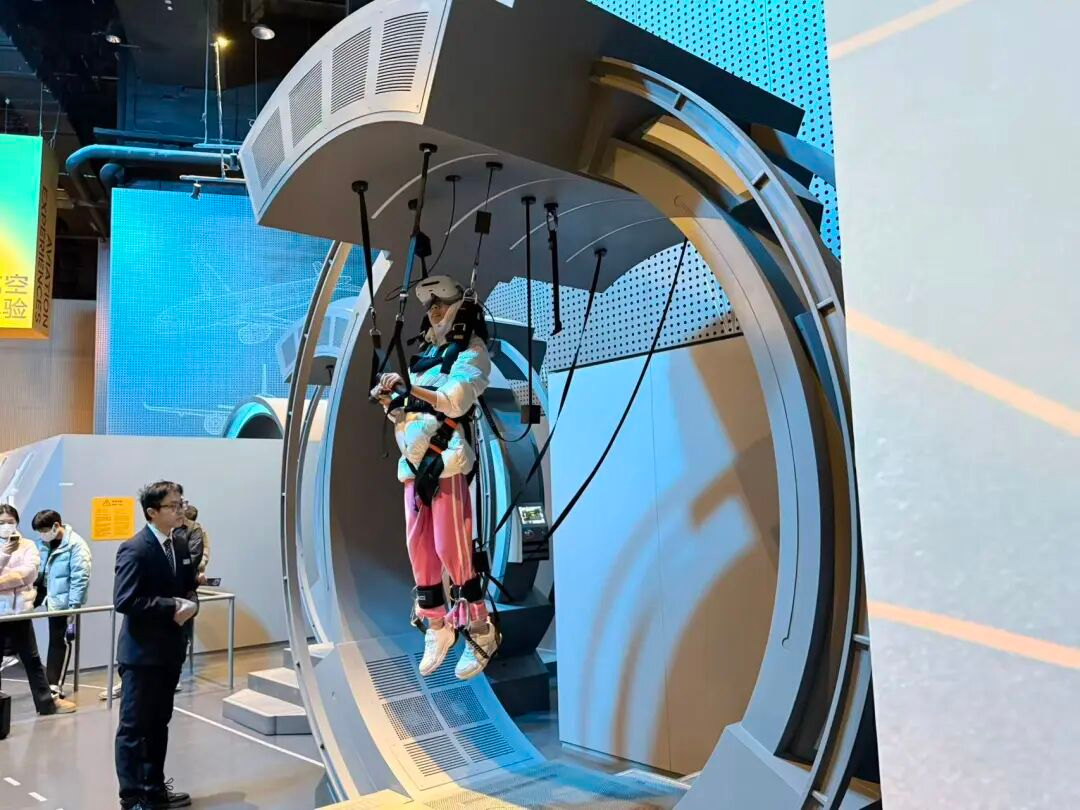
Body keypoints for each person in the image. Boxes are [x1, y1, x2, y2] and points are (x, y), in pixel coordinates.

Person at [370, 274, 501, 680]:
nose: (434, 310)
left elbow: (453, 402)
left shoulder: (471, 353)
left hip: (445, 461)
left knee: (451, 547)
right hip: (413, 466)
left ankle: (479, 627)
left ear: (460, 307)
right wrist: (392, 401)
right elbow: (410, 412)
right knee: (420, 551)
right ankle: (437, 624)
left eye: (441, 302)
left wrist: (408, 390)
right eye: (430, 306)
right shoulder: (425, 359)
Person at [113, 482, 197, 810]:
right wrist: (171, 606)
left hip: (170, 651)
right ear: (152, 512)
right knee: (134, 728)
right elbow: (126, 600)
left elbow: (187, 586)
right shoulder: (135, 549)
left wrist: (190, 601)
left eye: (181, 504)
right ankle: (133, 797)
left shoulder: (179, 542)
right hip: (141, 655)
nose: (180, 510)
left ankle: (155, 789)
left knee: (159, 723)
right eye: (173, 506)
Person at [0, 504, 76, 715]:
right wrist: (5, 556)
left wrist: (3, 581)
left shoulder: (28, 545)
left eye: (10, 521)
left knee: (32, 659)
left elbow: (29, 574)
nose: (6, 526)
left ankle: (46, 704)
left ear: (17, 522)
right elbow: (19, 576)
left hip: (21, 612)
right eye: (1, 522)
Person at [31, 509, 92, 698]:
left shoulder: (76, 545)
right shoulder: (42, 543)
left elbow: (80, 577)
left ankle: (54, 684)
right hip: (41, 591)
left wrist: (73, 607)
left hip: (61, 599)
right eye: (39, 531)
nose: (42, 534)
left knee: (57, 640)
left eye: (44, 530)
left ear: (56, 526)